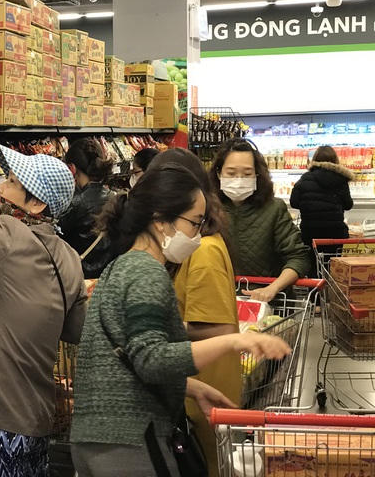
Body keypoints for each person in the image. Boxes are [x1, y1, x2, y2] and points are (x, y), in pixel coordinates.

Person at [70, 164, 291, 476]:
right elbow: (152, 360)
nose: (197, 236)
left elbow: (130, 354)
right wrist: (234, 340)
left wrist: (190, 387)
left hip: (97, 438)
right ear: (161, 219)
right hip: (131, 439)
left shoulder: (120, 267)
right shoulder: (146, 271)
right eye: (194, 223)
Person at [0, 145, 88, 476]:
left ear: (36, 203)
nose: (0, 187)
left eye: (11, 181)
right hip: (38, 414)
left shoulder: (4, 237)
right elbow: (75, 330)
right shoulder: (69, 257)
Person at [150, 148, 241, 477]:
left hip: (205, 397)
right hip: (195, 390)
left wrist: (155, 324)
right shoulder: (191, 246)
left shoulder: (203, 251)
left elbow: (221, 329)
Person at [209, 138, 310, 302]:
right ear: (219, 173)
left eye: (247, 174)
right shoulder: (208, 209)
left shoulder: (274, 209)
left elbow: (298, 257)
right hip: (220, 301)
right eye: (231, 173)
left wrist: (273, 288)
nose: (239, 179)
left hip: (268, 304)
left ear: (257, 174)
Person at [290, 145, 353, 275]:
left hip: (311, 233)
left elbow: (294, 202)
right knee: (332, 268)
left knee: (313, 268)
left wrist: (309, 205)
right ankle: (329, 287)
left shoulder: (305, 179)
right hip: (335, 234)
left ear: (315, 159)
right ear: (335, 160)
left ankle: (315, 286)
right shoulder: (341, 179)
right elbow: (348, 204)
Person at [59, 137, 114, 278]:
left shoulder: (74, 203)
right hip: (109, 273)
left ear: (72, 168)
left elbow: (58, 240)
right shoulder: (114, 198)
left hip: (81, 274)